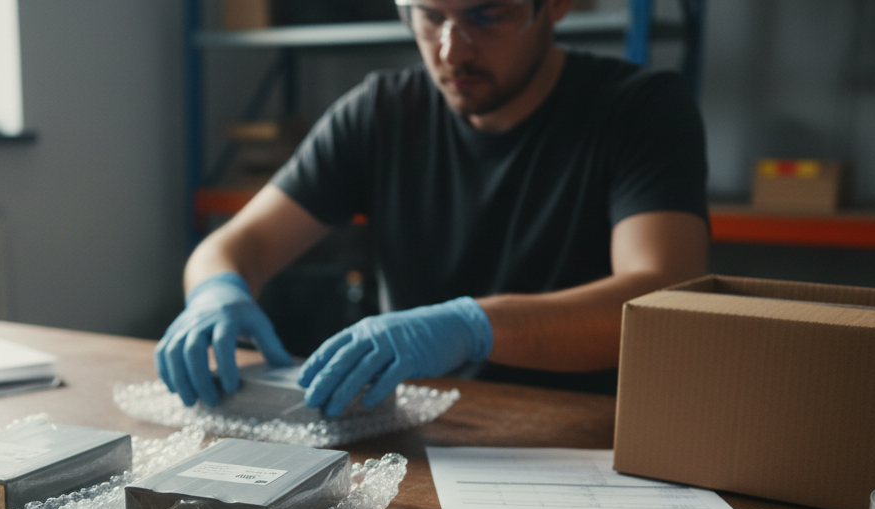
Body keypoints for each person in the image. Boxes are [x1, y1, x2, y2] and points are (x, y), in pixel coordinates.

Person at [156, 0, 709, 416]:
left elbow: (661, 296)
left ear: (556, 6)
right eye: (428, 15)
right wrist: (215, 294)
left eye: (486, 15)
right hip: (413, 431)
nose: (452, 50)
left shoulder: (642, 110)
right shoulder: (380, 111)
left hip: (578, 436)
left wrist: (472, 326)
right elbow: (236, 245)